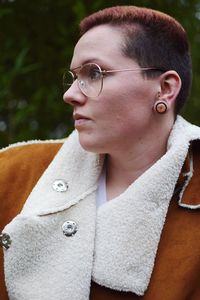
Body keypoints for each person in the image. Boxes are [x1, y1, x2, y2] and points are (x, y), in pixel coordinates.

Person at [0, 5, 199, 300]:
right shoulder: (12, 173)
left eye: (94, 73)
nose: (70, 95)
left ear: (165, 89)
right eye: (74, 76)